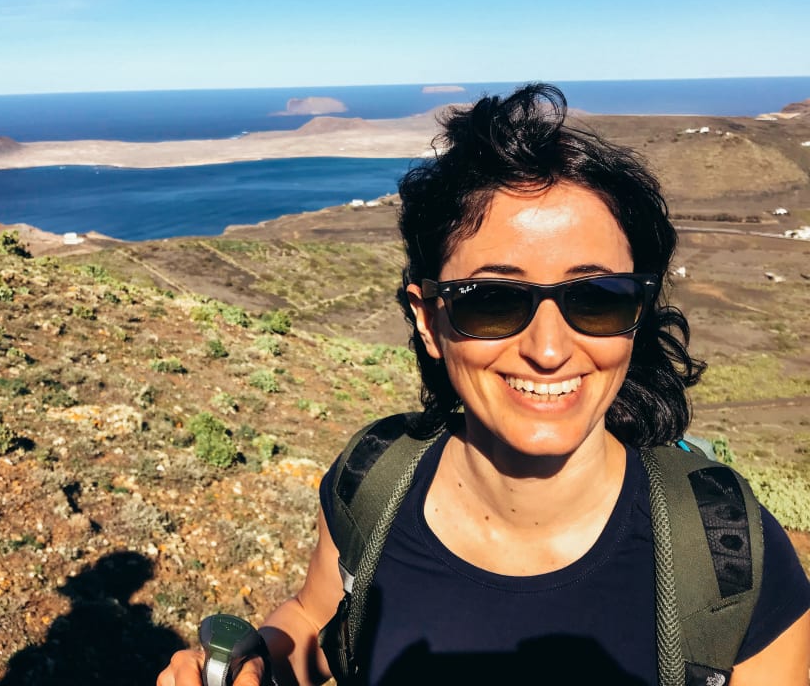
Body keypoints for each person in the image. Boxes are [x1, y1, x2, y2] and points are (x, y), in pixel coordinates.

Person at [157, 84, 810, 686]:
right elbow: (312, 620)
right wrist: (259, 661)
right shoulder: (373, 481)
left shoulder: (731, 556)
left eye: (598, 298)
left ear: (638, 316)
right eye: (492, 300)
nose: (550, 350)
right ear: (429, 318)